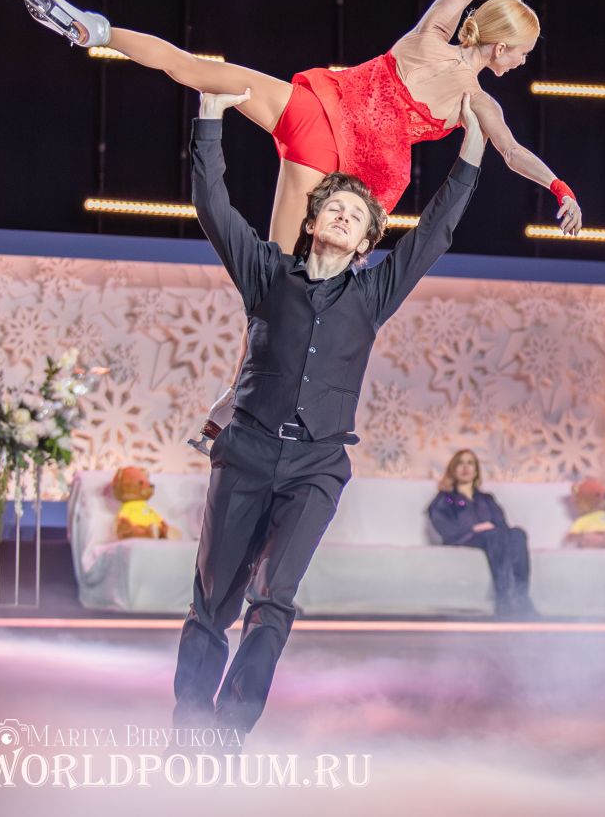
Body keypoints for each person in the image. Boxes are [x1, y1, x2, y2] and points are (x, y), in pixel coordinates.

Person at [17, 0, 580, 450]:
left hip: (314, 115)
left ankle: (96, 29)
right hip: (348, 174)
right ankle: (232, 404)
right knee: (279, 289)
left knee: (200, 73)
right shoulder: (475, 99)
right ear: (502, 46)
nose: (522, 63)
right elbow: (512, 150)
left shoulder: (435, 33)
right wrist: (559, 188)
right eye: (523, 53)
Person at [172, 87, 485, 741]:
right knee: (213, 601)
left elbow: (435, 231)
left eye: (355, 214)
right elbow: (212, 206)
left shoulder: (373, 294)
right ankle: (189, 724)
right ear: (313, 222)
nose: (343, 215)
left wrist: (473, 150)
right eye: (333, 207)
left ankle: (230, 729)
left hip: (317, 465)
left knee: (273, 597)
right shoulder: (266, 273)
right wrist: (209, 117)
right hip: (246, 450)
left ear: (367, 240)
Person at [427, 449, 538, 619]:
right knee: (494, 535)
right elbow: (443, 525)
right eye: (460, 463)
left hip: (492, 537)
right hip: (465, 538)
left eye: (470, 463)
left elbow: (501, 524)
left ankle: (521, 597)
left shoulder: (486, 498)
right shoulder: (447, 498)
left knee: (517, 534)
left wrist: (492, 528)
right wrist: (474, 529)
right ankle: (505, 600)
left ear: (476, 470)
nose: (465, 467)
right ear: (453, 470)